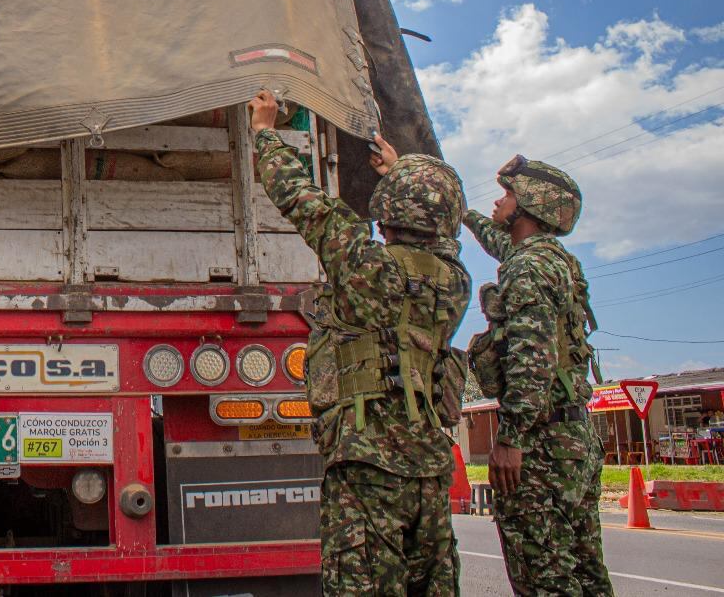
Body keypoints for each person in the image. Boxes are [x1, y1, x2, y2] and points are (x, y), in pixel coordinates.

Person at [248, 90, 470, 595]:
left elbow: (303, 199)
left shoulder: (367, 268)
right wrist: (401, 175)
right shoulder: (455, 282)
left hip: (368, 464)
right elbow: (439, 231)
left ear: (389, 211)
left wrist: (265, 131)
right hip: (430, 468)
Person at [465, 156, 612, 596]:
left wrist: (511, 440)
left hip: (540, 445)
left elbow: (533, 360)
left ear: (530, 206)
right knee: (585, 570)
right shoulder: (553, 260)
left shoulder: (526, 269)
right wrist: (461, 212)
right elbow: (496, 238)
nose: (498, 201)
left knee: (545, 577)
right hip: (572, 437)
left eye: (508, 195)